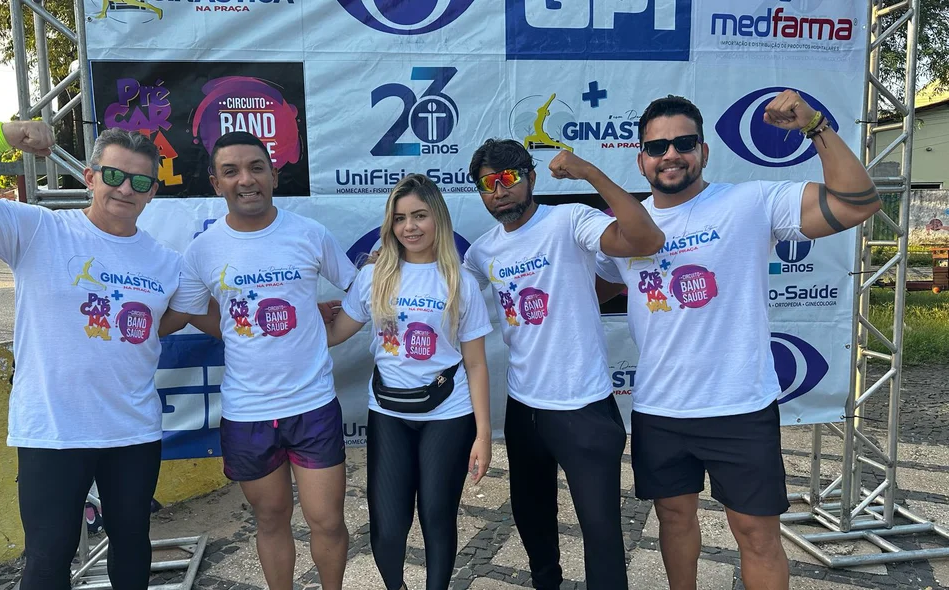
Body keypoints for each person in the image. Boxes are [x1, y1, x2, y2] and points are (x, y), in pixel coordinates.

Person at [594, 93, 882, 590]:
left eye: (683, 143)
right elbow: (583, 291)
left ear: (703, 151)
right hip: (661, 409)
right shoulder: (627, 229)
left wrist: (814, 126)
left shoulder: (749, 202)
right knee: (674, 521)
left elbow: (858, 201)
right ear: (640, 158)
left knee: (756, 534)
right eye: (657, 146)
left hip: (739, 406)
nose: (670, 154)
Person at [0, 122, 199, 589]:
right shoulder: (37, 229)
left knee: (132, 541)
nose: (126, 189)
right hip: (53, 429)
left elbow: (172, 319)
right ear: (89, 177)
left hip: (132, 429)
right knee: (48, 559)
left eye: (141, 182)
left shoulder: (166, 262)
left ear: (152, 193)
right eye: (114, 175)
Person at [461, 139, 664, 590]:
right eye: (488, 183)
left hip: (583, 407)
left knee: (602, 533)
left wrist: (590, 172)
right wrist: (387, 267)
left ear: (530, 178)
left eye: (509, 177)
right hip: (524, 408)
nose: (499, 190)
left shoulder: (570, 219)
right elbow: (443, 296)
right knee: (533, 522)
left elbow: (646, 239)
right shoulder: (481, 252)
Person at [162, 131, 355, 590]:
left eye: (256, 167)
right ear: (215, 183)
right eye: (231, 171)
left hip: (312, 405)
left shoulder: (310, 234)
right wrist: (235, 325)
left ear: (273, 173)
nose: (245, 180)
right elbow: (193, 310)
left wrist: (326, 333)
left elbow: (360, 291)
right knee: (271, 520)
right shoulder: (203, 250)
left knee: (326, 522)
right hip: (247, 412)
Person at [324, 174, 492, 590]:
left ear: (438, 218)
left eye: (419, 215)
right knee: (386, 522)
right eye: (400, 218)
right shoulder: (374, 276)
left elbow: (475, 364)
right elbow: (334, 334)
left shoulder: (461, 282)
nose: (410, 227)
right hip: (388, 413)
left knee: (437, 515)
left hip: (448, 415)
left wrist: (484, 434)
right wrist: (291, 313)